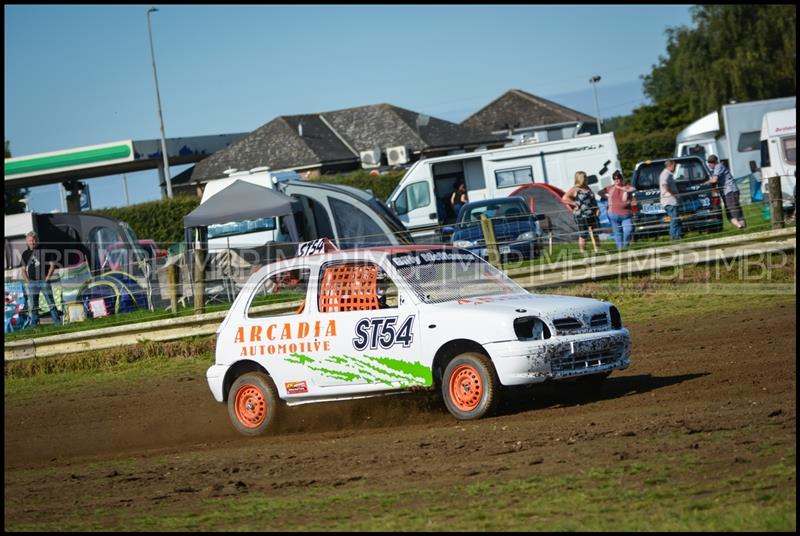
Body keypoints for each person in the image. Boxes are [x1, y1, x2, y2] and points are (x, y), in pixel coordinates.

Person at [21, 231, 62, 326]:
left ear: (37, 240)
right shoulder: (25, 254)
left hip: (44, 281)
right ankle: (34, 325)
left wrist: (47, 277)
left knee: (50, 303)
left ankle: (57, 323)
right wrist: (28, 281)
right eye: (30, 240)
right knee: (34, 305)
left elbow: (52, 265)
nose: (32, 242)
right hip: (32, 283)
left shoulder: (45, 250)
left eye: (34, 240)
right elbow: (23, 270)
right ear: (27, 242)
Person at [562, 171, 599, 253]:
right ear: (580, 179)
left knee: (595, 232)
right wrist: (574, 203)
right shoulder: (575, 189)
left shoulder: (587, 187)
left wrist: (597, 209)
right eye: (585, 177)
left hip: (591, 213)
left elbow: (592, 199)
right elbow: (564, 198)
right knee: (583, 234)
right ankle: (582, 251)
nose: (586, 179)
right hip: (581, 215)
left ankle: (597, 249)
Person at [705, 154, 746, 229]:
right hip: (729, 192)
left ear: (715, 162)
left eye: (711, 163)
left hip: (730, 192)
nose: (710, 165)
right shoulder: (718, 167)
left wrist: (705, 183)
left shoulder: (718, 166)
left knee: (734, 213)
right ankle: (741, 227)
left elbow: (714, 180)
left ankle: (742, 227)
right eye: (709, 163)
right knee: (731, 214)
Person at [602, 170, 636, 249]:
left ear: (621, 179)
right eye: (615, 179)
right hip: (613, 214)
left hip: (626, 214)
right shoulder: (610, 188)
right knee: (617, 233)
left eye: (618, 178)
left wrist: (621, 188)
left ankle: (625, 246)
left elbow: (633, 189)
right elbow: (600, 192)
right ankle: (620, 249)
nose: (617, 180)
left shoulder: (626, 186)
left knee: (628, 230)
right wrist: (608, 197)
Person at [659, 159, 682, 241]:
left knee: (677, 219)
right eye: (674, 165)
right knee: (674, 219)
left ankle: (678, 236)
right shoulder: (665, 174)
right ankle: (673, 237)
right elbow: (665, 186)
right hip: (670, 201)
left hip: (672, 201)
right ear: (670, 165)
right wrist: (674, 195)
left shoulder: (668, 174)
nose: (675, 167)